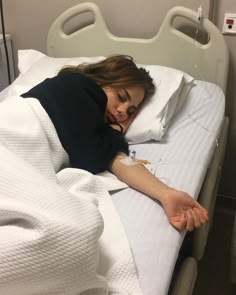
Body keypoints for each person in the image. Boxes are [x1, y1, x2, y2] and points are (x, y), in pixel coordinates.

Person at [21, 54, 208, 232]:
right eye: (121, 97)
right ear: (103, 80)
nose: (122, 112)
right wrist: (118, 130)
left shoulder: (94, 131)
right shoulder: (75, 84)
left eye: (130, 111)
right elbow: (90, 158)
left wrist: (166, 194)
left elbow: (116, 159)